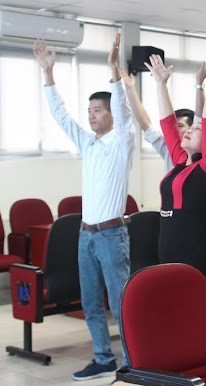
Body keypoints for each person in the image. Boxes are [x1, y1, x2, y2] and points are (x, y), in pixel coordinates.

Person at [34, 34, 133, 380]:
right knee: (90, 302)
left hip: (111, 236)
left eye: (97, 110)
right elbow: (61, 115)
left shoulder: (122, 141)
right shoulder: (88, 143)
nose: (91, 116)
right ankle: (103, 358)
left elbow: (124, 110)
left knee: (120, 304)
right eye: (89, 111)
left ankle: (133, 362)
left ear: (110, 114)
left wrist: (114, 71)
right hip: (86, 235)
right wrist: (48, 73)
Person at [144, 46, 206, 283]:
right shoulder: (181, 162)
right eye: (190, 126)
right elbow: (168, 124)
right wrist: (161, 84)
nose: (190, 129)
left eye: (196, 129)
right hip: (167, 253)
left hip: (194, 257)